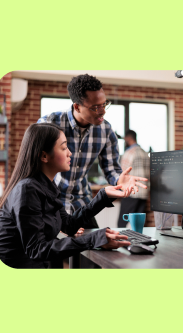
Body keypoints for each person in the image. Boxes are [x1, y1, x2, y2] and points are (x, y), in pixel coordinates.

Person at [0, 123, 132, 269]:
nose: (69, 153)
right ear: (44, 156)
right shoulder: (27, 189)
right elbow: (37, 249)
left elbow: (69, 225)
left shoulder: (47, 186)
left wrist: (103, 196)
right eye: (63, 147)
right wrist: (93, 239)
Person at [37, 74, 147, 229]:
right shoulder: (49, 123)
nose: (103, 111)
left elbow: (111, 169)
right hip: (50, 203)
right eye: (96, 107)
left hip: (81, 203)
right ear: (77, 106)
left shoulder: (106, 130)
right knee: (56, 249)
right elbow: (35, 169)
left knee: (99, 246)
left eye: (104, 104)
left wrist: (119, 180)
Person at [117, 130, 150, 229]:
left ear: (128, 138)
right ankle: (139, 242)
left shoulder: (129, 153)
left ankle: (121, 242)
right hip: (143, 192)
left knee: (121, 223)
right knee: (138, 224)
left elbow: (122, 173)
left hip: (131, 192)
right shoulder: (144, 153)